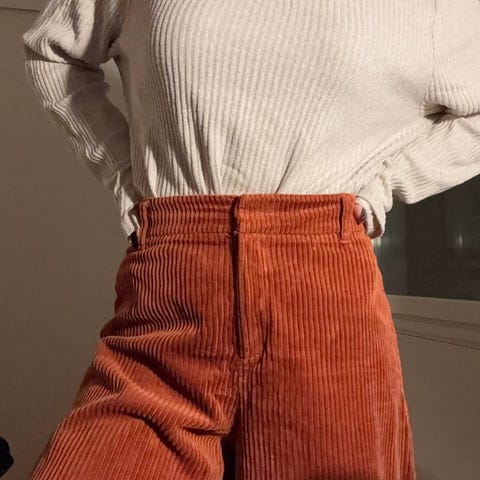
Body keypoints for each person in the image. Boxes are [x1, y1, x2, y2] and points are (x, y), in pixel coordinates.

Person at [21, 1, 480, 479]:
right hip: (170, 296)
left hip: (327, 307)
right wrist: (122, 173)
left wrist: (386, 185)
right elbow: (51, 49)